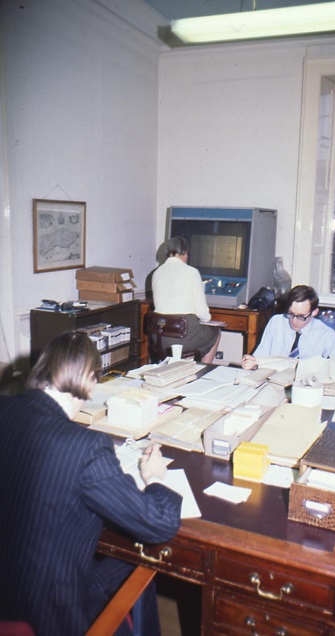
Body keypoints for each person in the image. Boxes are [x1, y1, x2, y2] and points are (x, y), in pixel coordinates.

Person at [0, 331, 182, 636]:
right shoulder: (86, 447)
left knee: (123, 562)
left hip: (9, 588)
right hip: (51, 611)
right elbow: (158, 524)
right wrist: (153, 478)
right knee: (144, 562)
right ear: (89, 381)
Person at [152, 236, 220, 363]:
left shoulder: (157, 272)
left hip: (160, 336)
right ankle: (203, 371)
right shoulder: (192, 272)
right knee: (215, 333)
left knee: (194, 333)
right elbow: (201, 312)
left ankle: (185, 365)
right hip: (183, 335)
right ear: (185, 253)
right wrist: (207, 320)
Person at [242, 284, 335, 369]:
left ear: (314, 312)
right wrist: (253, 363)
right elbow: (260, 356)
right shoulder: (276, 322)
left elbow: (334, 371)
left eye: (301, 316)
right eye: (291, 314)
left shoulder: (327, 335)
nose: (294, 321)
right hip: (273, 380)